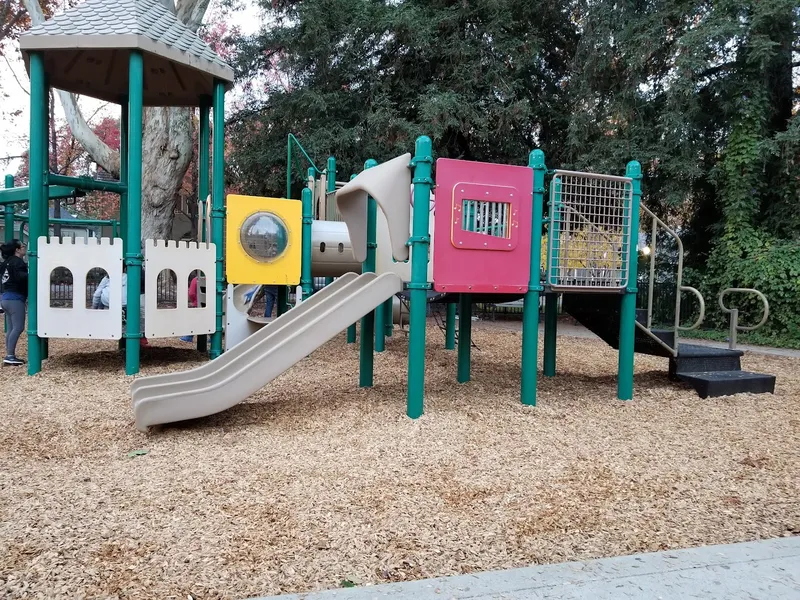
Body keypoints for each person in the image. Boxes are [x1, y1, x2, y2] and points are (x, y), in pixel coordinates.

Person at [1, 239, 28, 366]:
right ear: (17, 250)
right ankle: (10, 356)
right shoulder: (18, 262)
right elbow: (21, 277)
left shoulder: (6, 262)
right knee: (18, 327)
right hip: (15, 298)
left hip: (5, 298)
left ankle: (10, 354)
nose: (25, 248)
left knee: (11, 328)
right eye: (23, 246)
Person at [179, 274, 199, 342]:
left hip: (197, 303)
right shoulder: (211, 279)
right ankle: (212, 338)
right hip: (210, 303)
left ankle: (189, 336)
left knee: (194, 320)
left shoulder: (195, 280)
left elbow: (191, 293)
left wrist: (194, 300)